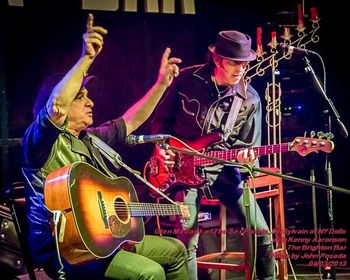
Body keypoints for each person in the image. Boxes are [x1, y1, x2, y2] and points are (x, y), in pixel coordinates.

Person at [21, 13, 190, 280]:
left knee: (176, 249)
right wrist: (86, 59)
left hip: (103, 238)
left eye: (88, 97)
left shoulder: (91, 138)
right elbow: (56, 107)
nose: (90, 103)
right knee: (150, 272)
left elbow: (131, 120)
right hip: (66, 248)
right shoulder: (41, 142)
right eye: (80, 97)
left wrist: (161, 85)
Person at [150, 30, 276, 279]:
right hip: (181, 172)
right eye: (234, 62)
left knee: (261, 233)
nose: (241, 69)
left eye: (244, 63)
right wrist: (161, 148)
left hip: (225, 174)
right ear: (217, 59)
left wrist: (246, 161)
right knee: (186, 239)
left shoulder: (250, 100)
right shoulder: (186, 80)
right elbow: (159, 121)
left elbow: (250, 149)